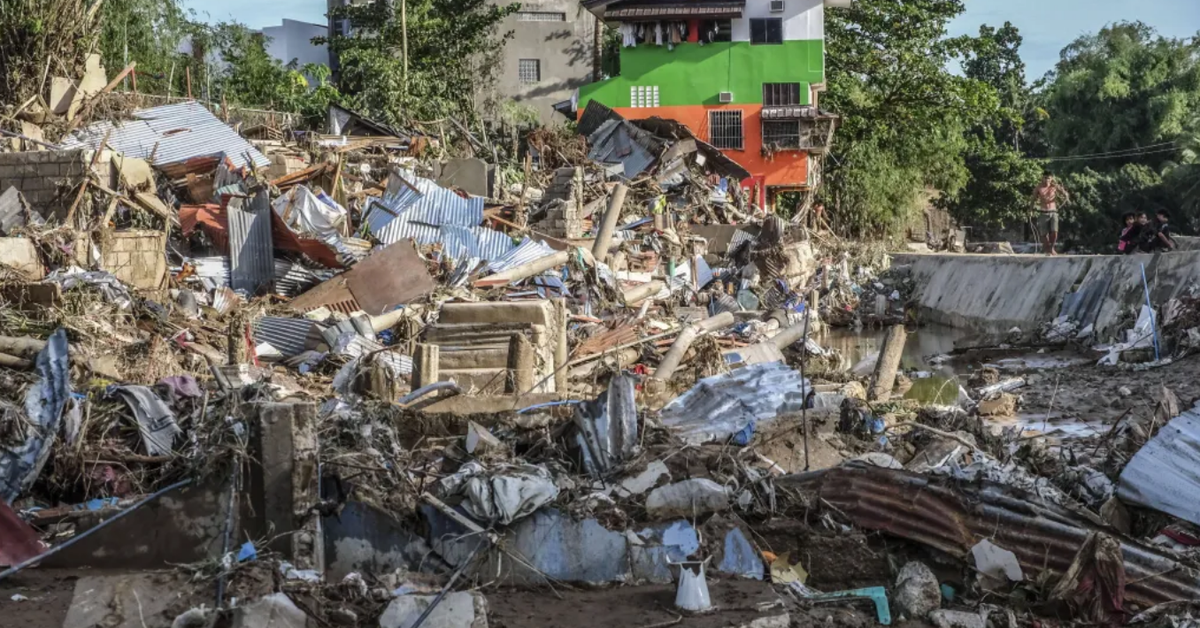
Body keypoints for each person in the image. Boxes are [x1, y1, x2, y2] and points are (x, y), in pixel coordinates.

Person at [1031, 174, 1070, 255]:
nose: (1047, 179)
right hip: (1043, 212)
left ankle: (1051, 248)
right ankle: (1047, 249)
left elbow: (1065, 194)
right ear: (1042, 178)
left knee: (1054, 231)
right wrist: (1030, 209)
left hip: (1053, 212)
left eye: (1048, 178)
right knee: (1043, 234)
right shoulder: (1039, 187)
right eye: (1045, 178)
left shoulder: (1054, 187)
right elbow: (1033, 199)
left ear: (1051, 178)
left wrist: (1065, 194)